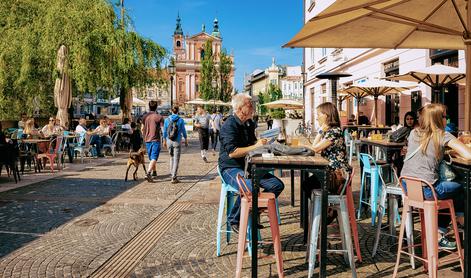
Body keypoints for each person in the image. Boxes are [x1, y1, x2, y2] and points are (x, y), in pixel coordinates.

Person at [401, 103, 471, 250]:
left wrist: (448, 152)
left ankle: (452, 223)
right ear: (438, 118)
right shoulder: (443, 135)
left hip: (408, 187)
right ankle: (456, 222)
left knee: (448, 192)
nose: (447, 119)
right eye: (445, 116)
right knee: (461, 186)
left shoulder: (414, 133)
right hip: (427, 189)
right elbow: (469, 155)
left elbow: (428, 151)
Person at [219, 93, 285, 233]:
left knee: (277, 185)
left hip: (248, 166)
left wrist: (265, 142)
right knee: (249, 187)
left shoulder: (248, 123)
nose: (253, 107)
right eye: (250, 105)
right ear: (240, 108)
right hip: (231, 167)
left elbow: (251, 144)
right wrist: (256, 146)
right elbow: (233, 152)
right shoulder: (229, 125)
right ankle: (234, 219)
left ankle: (253, 212)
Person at [300, 102, 352, 224]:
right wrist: (321, 131)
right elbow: (314, 147)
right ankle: (324, 213)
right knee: (307, 184)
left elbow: (315, 149)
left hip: (336, 176)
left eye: (319, 114)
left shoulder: (335, 131)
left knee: (307, 185)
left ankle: (325, 215)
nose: (317, 117)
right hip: (331, 174)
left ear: (327, 115)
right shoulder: (330, 131)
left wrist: (319, 132)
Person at [163, 105, 188, 184]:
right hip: (177, 141)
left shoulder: (167, 120)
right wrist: (186, 139)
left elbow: (164, 131)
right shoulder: (180, 120)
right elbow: (183, 131)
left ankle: (172, 174)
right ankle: (174, 176)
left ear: (171, 111)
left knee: (171, 157)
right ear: (178, 111)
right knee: (176, 159)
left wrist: (164, 140)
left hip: (169, 140)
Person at [142, 100, 164, 181]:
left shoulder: (144, 116)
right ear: (156, 107)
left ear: (149, 106)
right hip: (155, 139)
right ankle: (148, 173)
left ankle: (154, 172)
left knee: (151, 157)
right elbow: (162, 129)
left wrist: (144, 136)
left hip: (147, 139)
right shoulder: (159, 117)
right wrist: (165, 139)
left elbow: (142, 128)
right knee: (154, 157)